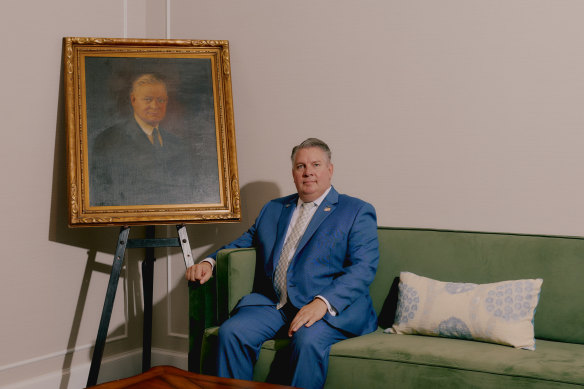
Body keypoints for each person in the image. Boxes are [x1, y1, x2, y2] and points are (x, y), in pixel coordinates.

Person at [186, 138, 379, 389]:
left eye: (315, 164)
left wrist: (322, 303)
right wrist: (210, 262)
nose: (308, 172)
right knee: (231, 333)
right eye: (300, 166)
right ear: (293, 173)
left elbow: (363, 268)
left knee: (307, 340)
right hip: (275, 304)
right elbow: (243, 242)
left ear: (330, 170)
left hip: (325, 308)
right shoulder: (274, 209)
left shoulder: (356, 211)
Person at [90, 73, 197, 206]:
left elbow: (189, 193)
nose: (155, 106)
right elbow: (103, 195)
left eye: (161, 100)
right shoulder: (109, 140)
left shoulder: (178, 145)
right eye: (148, 99)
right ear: (133, 100)